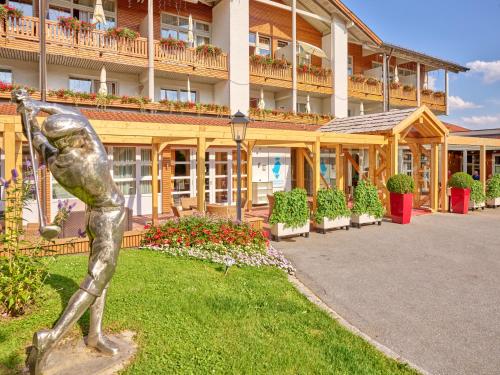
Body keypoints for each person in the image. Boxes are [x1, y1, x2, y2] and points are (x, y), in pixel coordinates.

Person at [12, 89, 126, 375]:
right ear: (74, 137)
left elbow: (36, 139)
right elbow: (80, 117)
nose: (81, 133)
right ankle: (51, 337)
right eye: (78, 133)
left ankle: (95, 334)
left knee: (101, 278)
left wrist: (28, 113)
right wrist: (39, 105)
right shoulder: (92, 155)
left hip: (92, 216)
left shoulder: (58, 164)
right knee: (96, 279)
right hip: (111, 216)